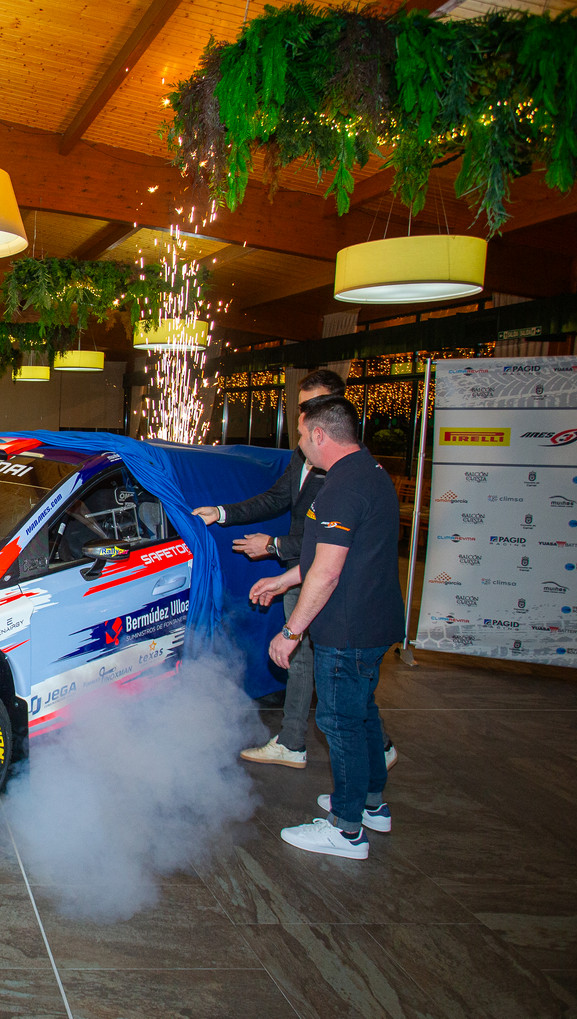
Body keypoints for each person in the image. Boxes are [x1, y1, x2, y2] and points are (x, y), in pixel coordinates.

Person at [190, 369, 398, 771]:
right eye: (300, 407)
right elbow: (276, 499)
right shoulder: (304, 455)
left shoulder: (347, 470)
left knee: (340, 680)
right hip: (303, 570)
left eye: (311, 407)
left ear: (333, 409)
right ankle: (305, 743)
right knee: (322, 669)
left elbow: (333, 545)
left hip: (331, 582)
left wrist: (274, 547)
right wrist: (222, 512)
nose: (301, 418)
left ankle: (359, 772)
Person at [249, 395, 404, 861]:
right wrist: (283, 580)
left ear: (319, 434)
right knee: (363, 713)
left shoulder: (341, 489)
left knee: (340, 722)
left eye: (300, 435)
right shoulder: (369, 473)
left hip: (348, 627)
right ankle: (371, 804)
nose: (299, 444)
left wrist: (291, 633)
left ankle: (346, 829)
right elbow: (333, 556)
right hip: (375, 621)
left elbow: (328, 573)